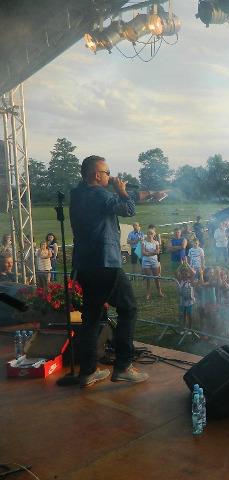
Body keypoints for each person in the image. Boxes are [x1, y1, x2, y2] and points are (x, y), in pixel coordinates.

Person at [70, 155, 148, 386]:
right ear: (96, 175)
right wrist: (121, 190)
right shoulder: (101, 195)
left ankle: (87, 372)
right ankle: (123, 366)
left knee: (91, 317)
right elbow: (129, 209)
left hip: (84, 263)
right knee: (129, 309)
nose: (110, 176)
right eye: (107, 172)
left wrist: (116, 188)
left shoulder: (77, 194)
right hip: (106, 261)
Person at [141, 226, 163, 300]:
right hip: (146, 262)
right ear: (147, 234)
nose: (150, 235)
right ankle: (148, 293)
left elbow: (157, 252)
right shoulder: (144, 242)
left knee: (156, 277)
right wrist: (153, 253)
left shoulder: (156, 242)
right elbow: (143, 252)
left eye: (151, 233)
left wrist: (148, 253)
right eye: (148, 233)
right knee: (148, 278)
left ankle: (159, 292)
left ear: (154, 234)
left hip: (154, 261)